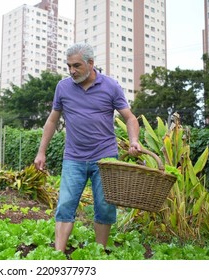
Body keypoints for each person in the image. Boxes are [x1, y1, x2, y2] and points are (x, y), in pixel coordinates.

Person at [34, 43, 141, 251]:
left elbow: (129, 118)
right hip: (74, 157)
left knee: (104, 206)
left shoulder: (111, 86)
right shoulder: (63, 87)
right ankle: (58, 254)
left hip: (105, 157)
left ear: (91, 63)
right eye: (68, 66)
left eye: (76, 66)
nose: (72, 71)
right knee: (65, 204)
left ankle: (99, 253)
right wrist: (41, 152)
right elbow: (52, 121)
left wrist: (134, 140)